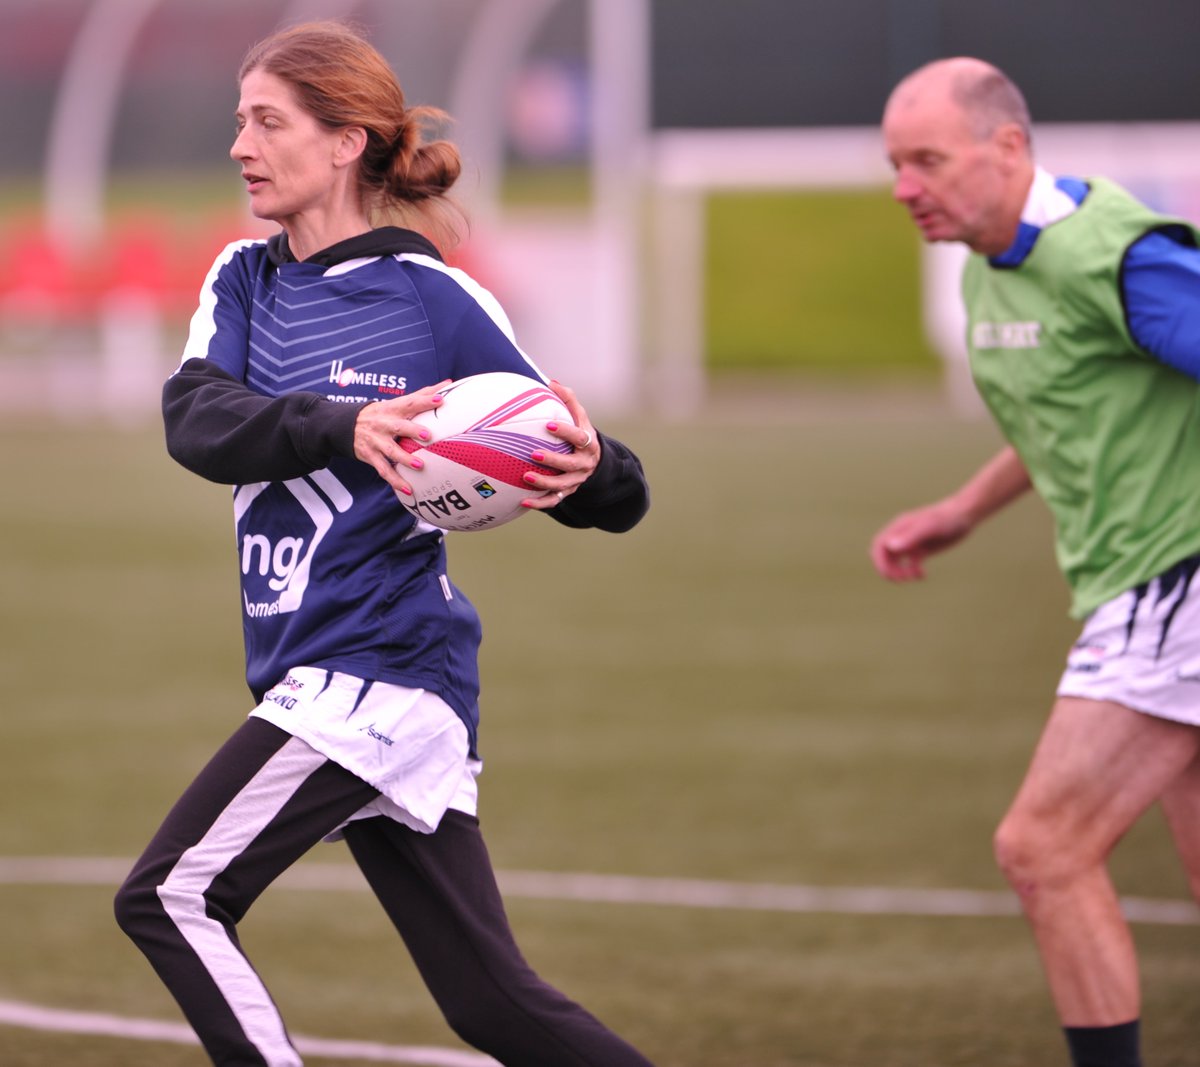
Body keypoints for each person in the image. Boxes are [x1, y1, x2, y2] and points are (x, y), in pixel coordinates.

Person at [113, 20, 655, 1067]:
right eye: (240, 122)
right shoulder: (243, 279)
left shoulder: (434, 296)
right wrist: (341, 424)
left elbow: (590, 468)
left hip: (380, 669)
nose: (242, 146)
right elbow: (198, 422)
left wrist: (596, 472)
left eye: (268, 122)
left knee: (170, 895)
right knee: (494, 1002)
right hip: (324, 671)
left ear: (347, 140)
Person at [872, 57, 1200, 1067]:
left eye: (927, 159)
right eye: (895, 165)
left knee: (1043, 846)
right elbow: (1070, 406)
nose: (904, 187)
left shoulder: (1119, 256)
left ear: (1007, 147)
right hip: (1133, 582)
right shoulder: (986, 261)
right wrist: (962, 510)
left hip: (1176, 579)